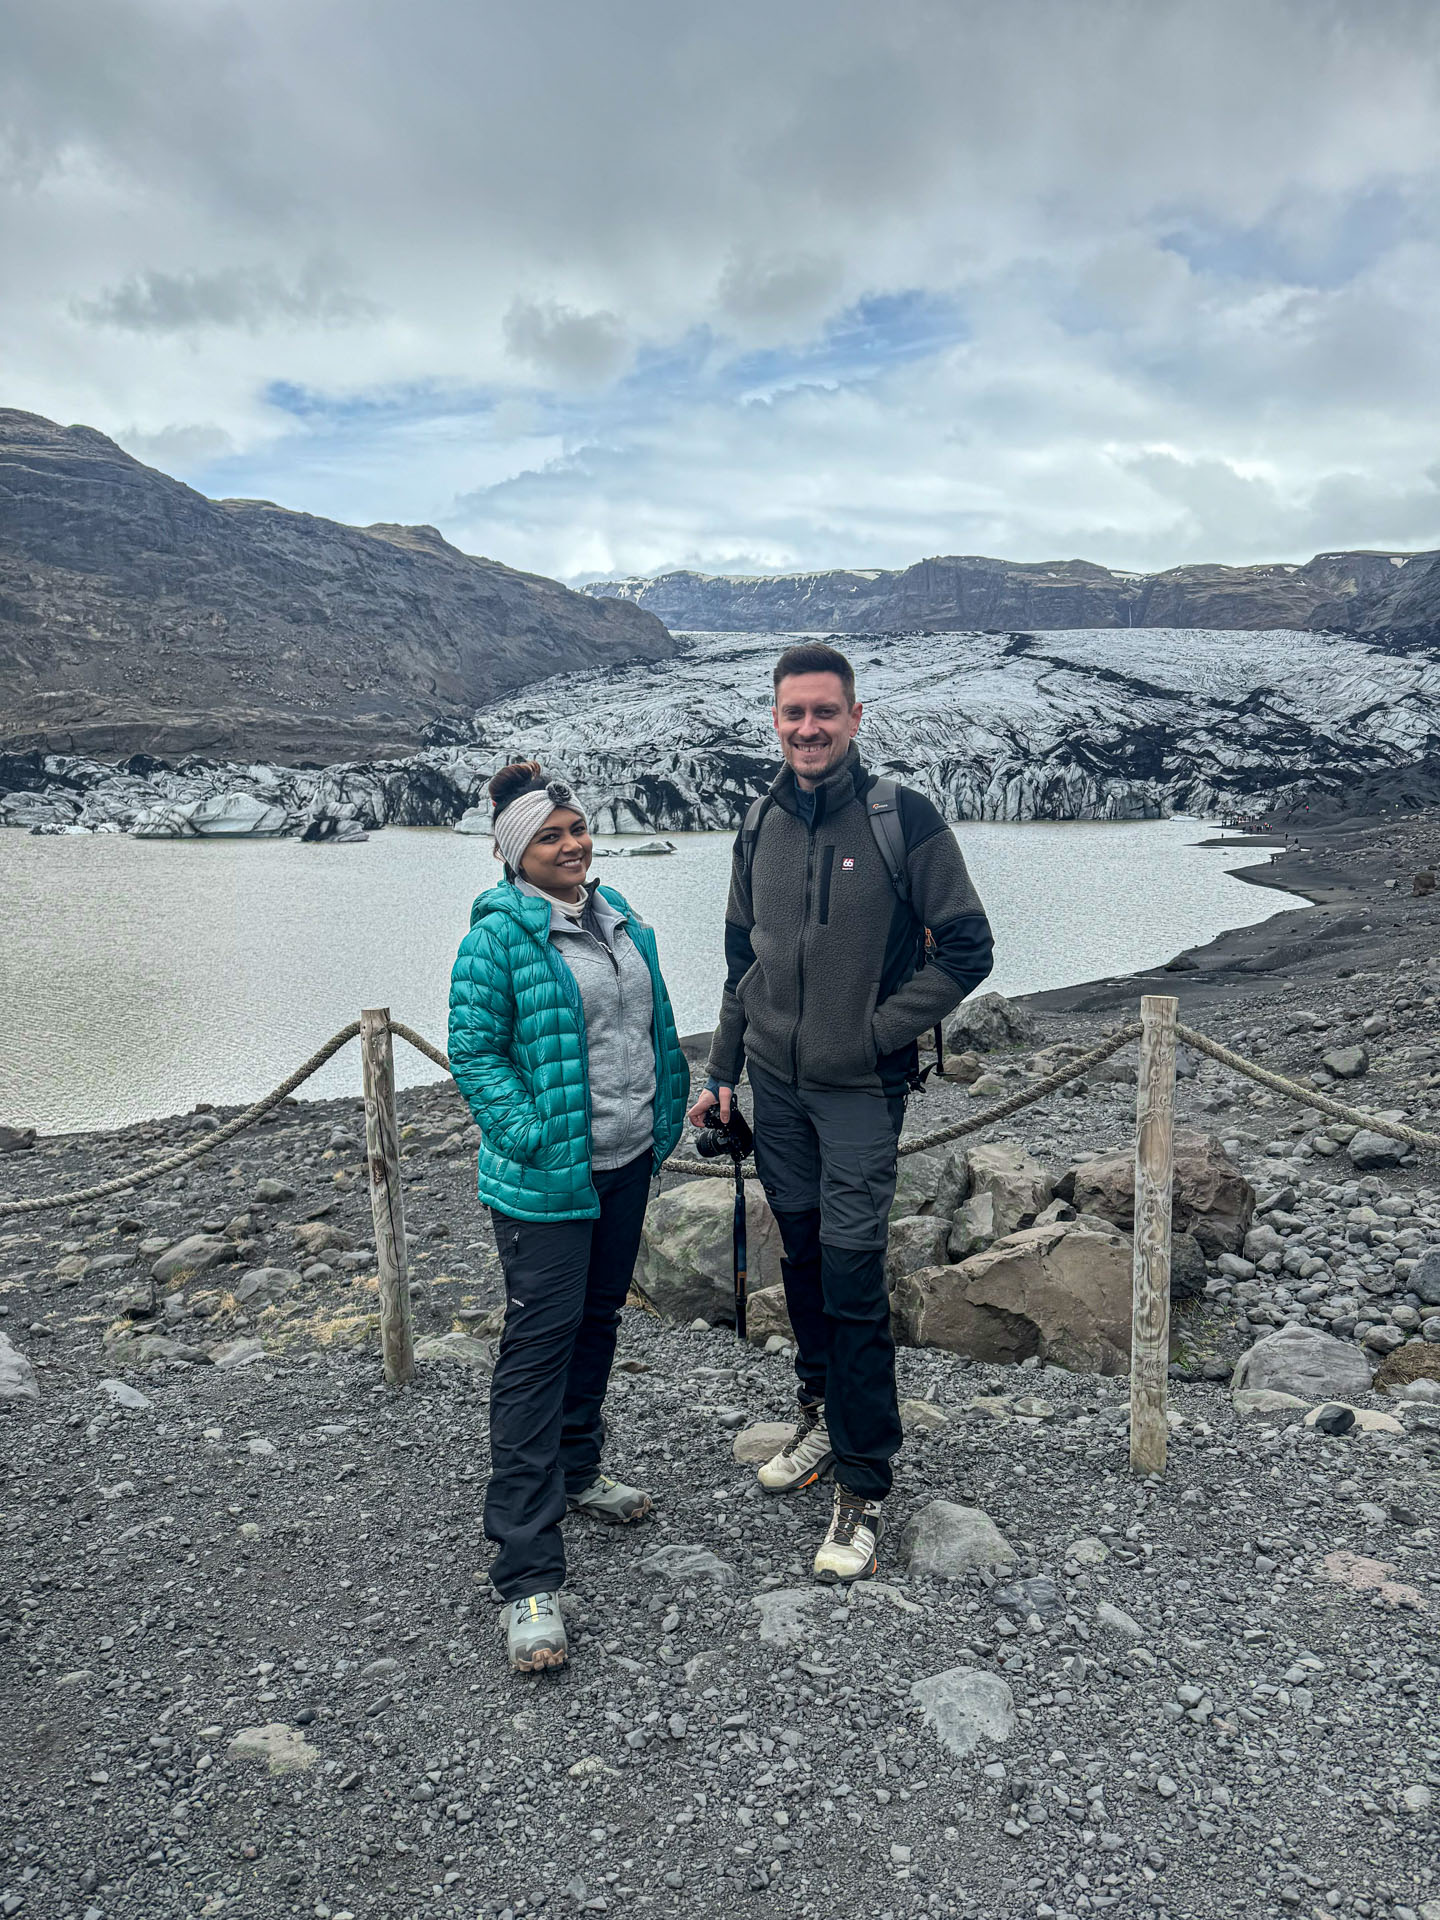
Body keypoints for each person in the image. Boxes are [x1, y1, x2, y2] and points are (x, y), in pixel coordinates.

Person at [689, 643, 994, 1583]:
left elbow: (969, 949)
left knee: (856, 1280)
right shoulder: (757, 822)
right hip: (776, 1094)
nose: (809, 729)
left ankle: (863, 1483)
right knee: (810, 1260)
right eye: (793, 714)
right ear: (774, 721)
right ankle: (819, 1417)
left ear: (855, 717)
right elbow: (745, 958)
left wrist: (872, 1035)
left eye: (825, 712)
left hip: (859, 1093)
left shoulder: (904, 818)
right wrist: (722, 1070)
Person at [449, 760, 689, 1673]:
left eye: (579, 828)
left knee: (597, 1324)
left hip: (625, 1163)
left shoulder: (620, 915)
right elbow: (473, 1048)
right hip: (549, 1181)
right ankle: (526, 1574)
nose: (574, 844)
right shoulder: (499, 937)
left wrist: (667, 1111)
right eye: (551, 836)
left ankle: (580, 1468)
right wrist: (532, 1134)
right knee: (537, 1348)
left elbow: (651, 1022)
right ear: (517, 853)